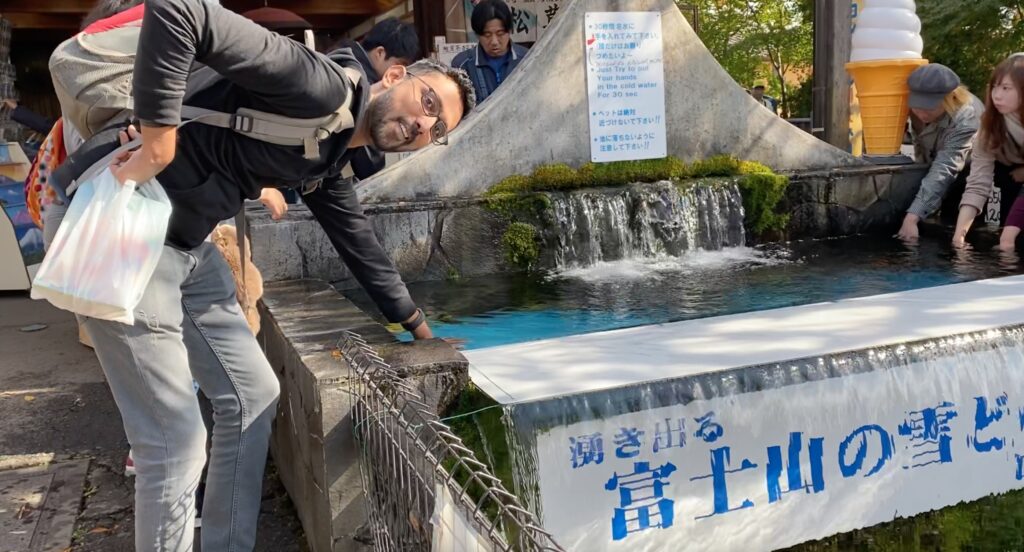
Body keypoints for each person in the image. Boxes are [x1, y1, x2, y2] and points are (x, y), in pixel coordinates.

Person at [56, 0, 476, 550]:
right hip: (127, 227)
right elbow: (181, 12)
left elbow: (359, 244)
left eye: (435, 128)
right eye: (426, 102)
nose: (421, 123)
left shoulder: (329, 153)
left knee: (253, 395)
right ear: (394, 75)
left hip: (182, 246)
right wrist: (159, 143)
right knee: (175, 444)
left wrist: (421, 331)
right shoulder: (321, 88)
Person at [895, 64, 984, 241]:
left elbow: (945, 167)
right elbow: (920, 146)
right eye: (916, 106)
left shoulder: (967, 119)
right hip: (934, 162)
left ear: (950, 98)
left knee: (954, 218)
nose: (921, 113)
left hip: (972, 171)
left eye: (929, 108)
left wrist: (912, 217)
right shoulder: (914, 109)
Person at [333, 17, 421, 179]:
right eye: (399, 64)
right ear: (380, 53)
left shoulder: (339, 58)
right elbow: (368, 164)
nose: (400, 74)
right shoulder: (363, 84)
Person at [953, 54, 1024, 250]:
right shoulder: (990, 124)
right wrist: (960, 235)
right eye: (994, 86)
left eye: (1006, 88)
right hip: (1006, 171)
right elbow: (978, 182)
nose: (997, 95)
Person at [452, 0, 529, 104]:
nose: (494, 42)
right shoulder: (462, 65)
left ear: (509, 31)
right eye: (487, 35)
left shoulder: (527, 59)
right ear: (477, 34)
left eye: (500, 33)